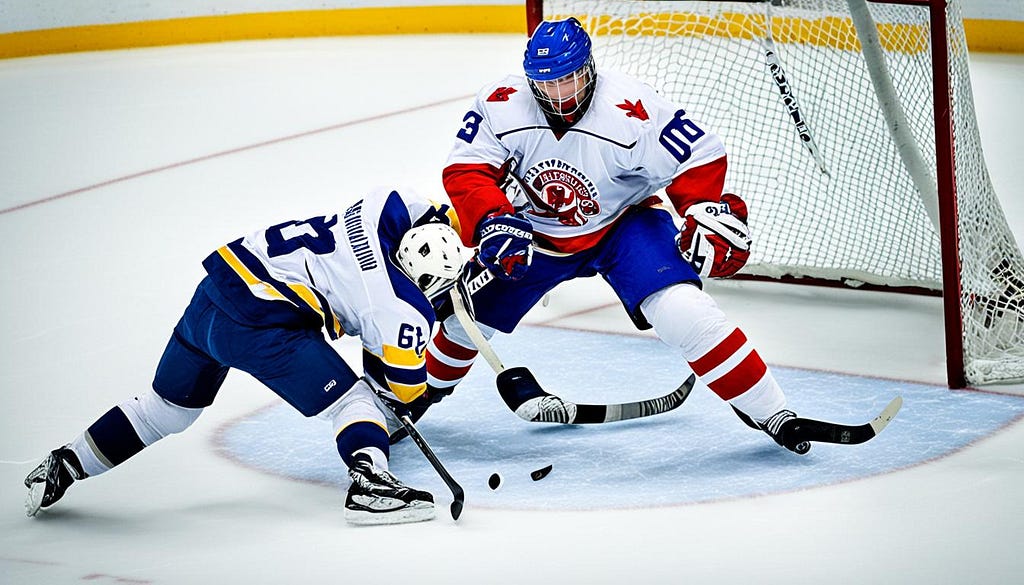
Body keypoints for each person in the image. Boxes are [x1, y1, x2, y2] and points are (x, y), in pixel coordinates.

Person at [413, 17, 807, 453]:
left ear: (589, 68)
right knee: (463, 320)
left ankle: (771, 411)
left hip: (623, 224)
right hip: (533, 233)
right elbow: (466, 169)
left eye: (568, 79)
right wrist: (492, 219)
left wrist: (699, 208)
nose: (559, 95)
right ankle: (418, 396)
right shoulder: (501, 102)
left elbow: (699, 155)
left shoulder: (631, 107)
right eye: (547, 84)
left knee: (681, 308)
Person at [24, 186, 467, 525]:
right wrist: (414, 343)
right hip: (260, 321)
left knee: (166, 410)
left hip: (215, 292)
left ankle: (67, 462)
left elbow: (436, 211)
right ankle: (370, 486)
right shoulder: (399, 308)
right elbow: (405, 392)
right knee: (356, 402)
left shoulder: (382, 209)